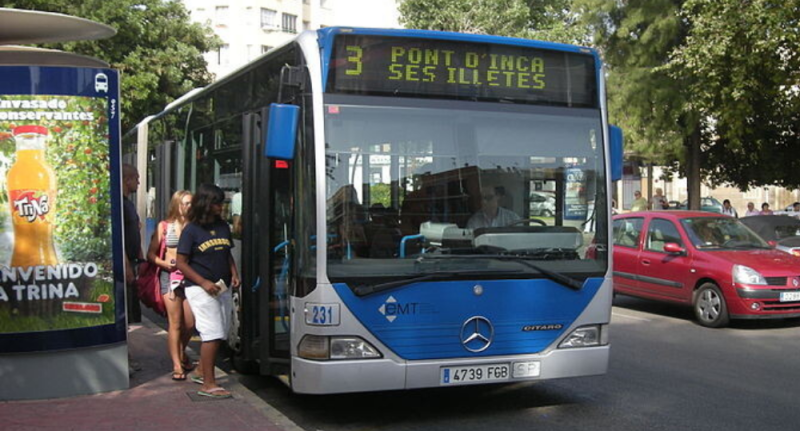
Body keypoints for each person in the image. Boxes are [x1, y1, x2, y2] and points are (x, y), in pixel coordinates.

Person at [177, 184, 240, 399]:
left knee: (220, 330)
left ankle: (200, 371)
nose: (220, 207)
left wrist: (234, 272)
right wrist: (203, 282)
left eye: (221, 203)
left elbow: (226, 253)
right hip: (200, 289)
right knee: (212, 333)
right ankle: (208, 384)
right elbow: (181, 262)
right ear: (206, 204)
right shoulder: (191, 230)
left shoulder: (223, 226)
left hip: (222, 287)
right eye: (216, 203)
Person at [146, 190, 196, 381]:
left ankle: (182, 351)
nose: (188, 207)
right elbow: (151, 254)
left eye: (191, 203)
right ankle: (177, 364)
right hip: (170, 277)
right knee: (175, 323)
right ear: (176, 204)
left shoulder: (195, 226)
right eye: (184, 203)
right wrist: (165, 264)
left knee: (190, 323)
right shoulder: (164, 227)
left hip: (190, 278)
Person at [122, 163, 143, 324]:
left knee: (134, 308)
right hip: (127, 263)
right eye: (136, 178)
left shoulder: (129, 203)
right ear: (127, 180)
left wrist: (140, 258)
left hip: (133, 262)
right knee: (128, 310)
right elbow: (120, 237)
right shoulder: (119, 204)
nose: (138, 183)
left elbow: (134, 232)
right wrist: (126, 266)